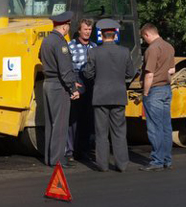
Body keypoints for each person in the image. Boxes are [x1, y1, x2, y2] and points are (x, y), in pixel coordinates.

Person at [83, 19, 135, 172]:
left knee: (101, 132)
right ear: (115, 34)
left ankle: (102, 165)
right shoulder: (125, 51)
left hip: (100, 96)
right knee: (119, 131)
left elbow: (88, 73)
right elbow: (130, 73)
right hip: (118, 95)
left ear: (101, 34)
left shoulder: (94, 52)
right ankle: (122, 164)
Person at [39, 11, 81, 167]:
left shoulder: (46, 41)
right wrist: (72, 88)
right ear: (65, 26)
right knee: (60, 124)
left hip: (48, 83)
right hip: (58, 85)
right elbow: (65, 69)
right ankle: (57, 159)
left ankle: (50, 157)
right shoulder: (60, 43)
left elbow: (40, 57)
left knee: (51, 123)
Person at [139, 23, 175, 171]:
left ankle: (157, 161)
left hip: (154, 90)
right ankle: (167, 159)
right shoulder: (169, 47)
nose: (144, 40)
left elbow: (149, 74)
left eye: (143, 38)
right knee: (166, 126)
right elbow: (172, 70)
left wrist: (145, 93)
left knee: (154, 128)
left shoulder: (152, 49)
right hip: (167, 89)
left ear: (147, 34)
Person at [66, 18, 97, 164]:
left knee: (87, 118)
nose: (87, 32)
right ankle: (70, 151)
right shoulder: (70, 46)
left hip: (90, 83)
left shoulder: (94, 47)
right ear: (79, 30)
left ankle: (83, 150)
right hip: (77, 81)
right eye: (85, 29)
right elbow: (67, 66)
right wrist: (73, 83)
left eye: (90, 30)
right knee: (74, 119)